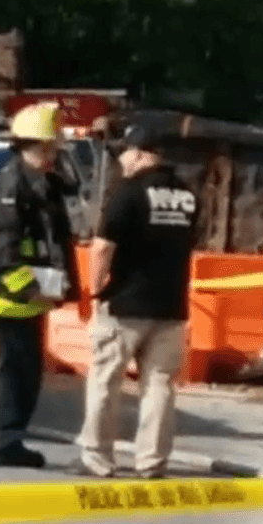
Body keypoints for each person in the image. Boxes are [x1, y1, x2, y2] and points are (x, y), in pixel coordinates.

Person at [76, 122, 197, 479]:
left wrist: (95, 290)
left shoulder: (128, 192)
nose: (122, 160)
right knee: (159, 385)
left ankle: (97, 456)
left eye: (125, 152)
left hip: (126, 306)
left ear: (141, 153)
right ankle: (152, 461)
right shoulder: (188, 195)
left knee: (105, 380)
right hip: (171, 307)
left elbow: (102, 247)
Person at [0, 102, 77, 468]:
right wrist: (28, 288)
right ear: (27, 146)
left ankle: (11, 440)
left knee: (27, 376)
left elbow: (56, 237)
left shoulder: (43, 184)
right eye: (47, 149)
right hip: (9, 300)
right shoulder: (12, 182)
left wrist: (61, 288)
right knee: (15, 378)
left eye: (55, 149)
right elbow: (3, 250)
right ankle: (4, 445)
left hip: (30, 299)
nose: (53, 156)